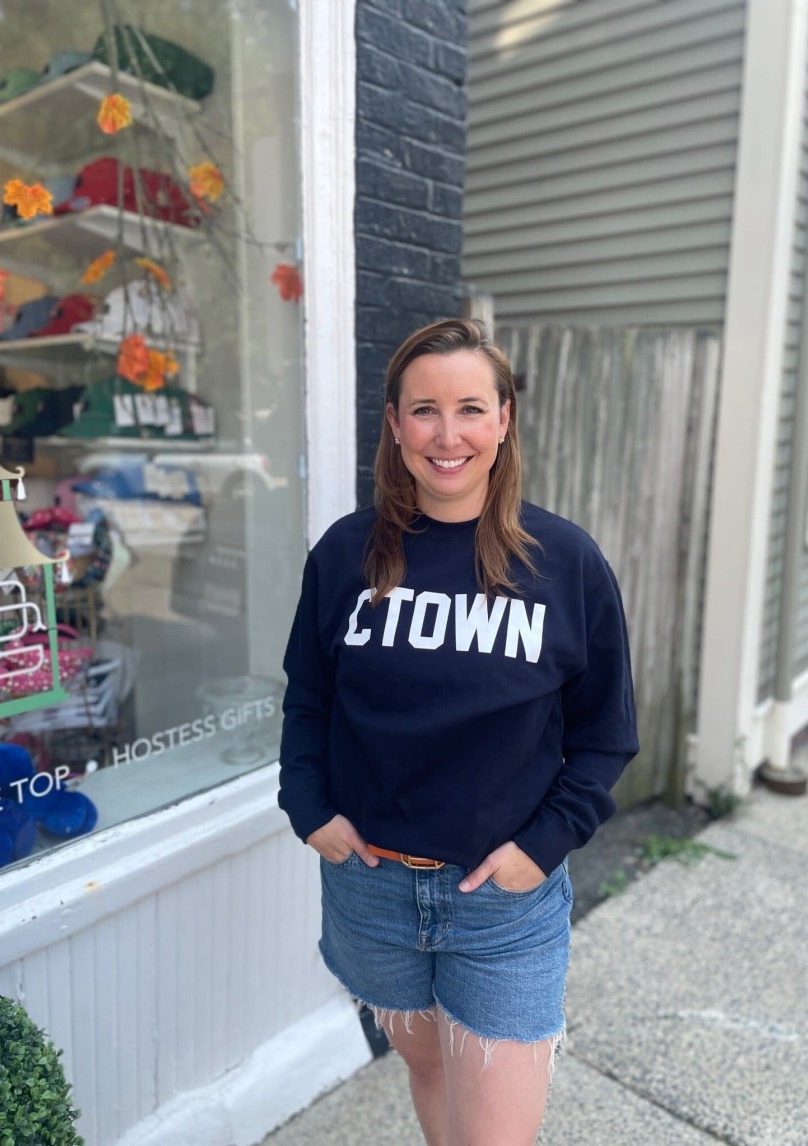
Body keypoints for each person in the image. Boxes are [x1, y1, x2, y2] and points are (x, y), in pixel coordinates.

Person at [278, 317, 639, 1145]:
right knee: (431, 1068)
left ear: (505, 419)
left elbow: (606, 733)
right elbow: (309, 701)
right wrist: (310, 809)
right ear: (396, 424)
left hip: (502, 905)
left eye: (471, 408)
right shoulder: (346, 555)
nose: (448, 435)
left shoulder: (565, 562)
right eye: (425, 410)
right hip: (370, 890)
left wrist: (543, 846)